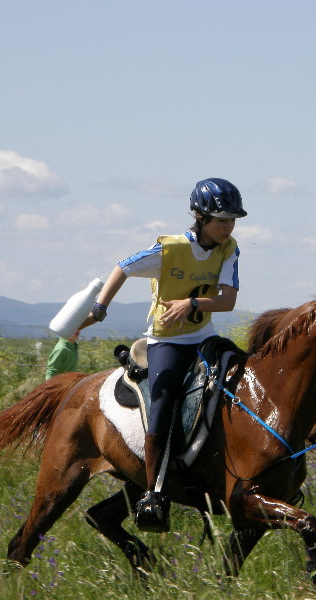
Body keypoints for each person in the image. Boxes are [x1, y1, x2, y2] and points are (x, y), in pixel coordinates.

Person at [77, 177, 246, 532]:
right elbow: (123, 266)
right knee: (164, 403)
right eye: (221, 220)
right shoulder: (168, 250)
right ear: (200, 217)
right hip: (167, 342)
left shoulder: (228, 249)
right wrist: (99, 309)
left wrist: (192, 303)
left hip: (204, 337)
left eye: (232, 220)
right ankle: (153, 494)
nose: (228, 227)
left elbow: (229, 301)